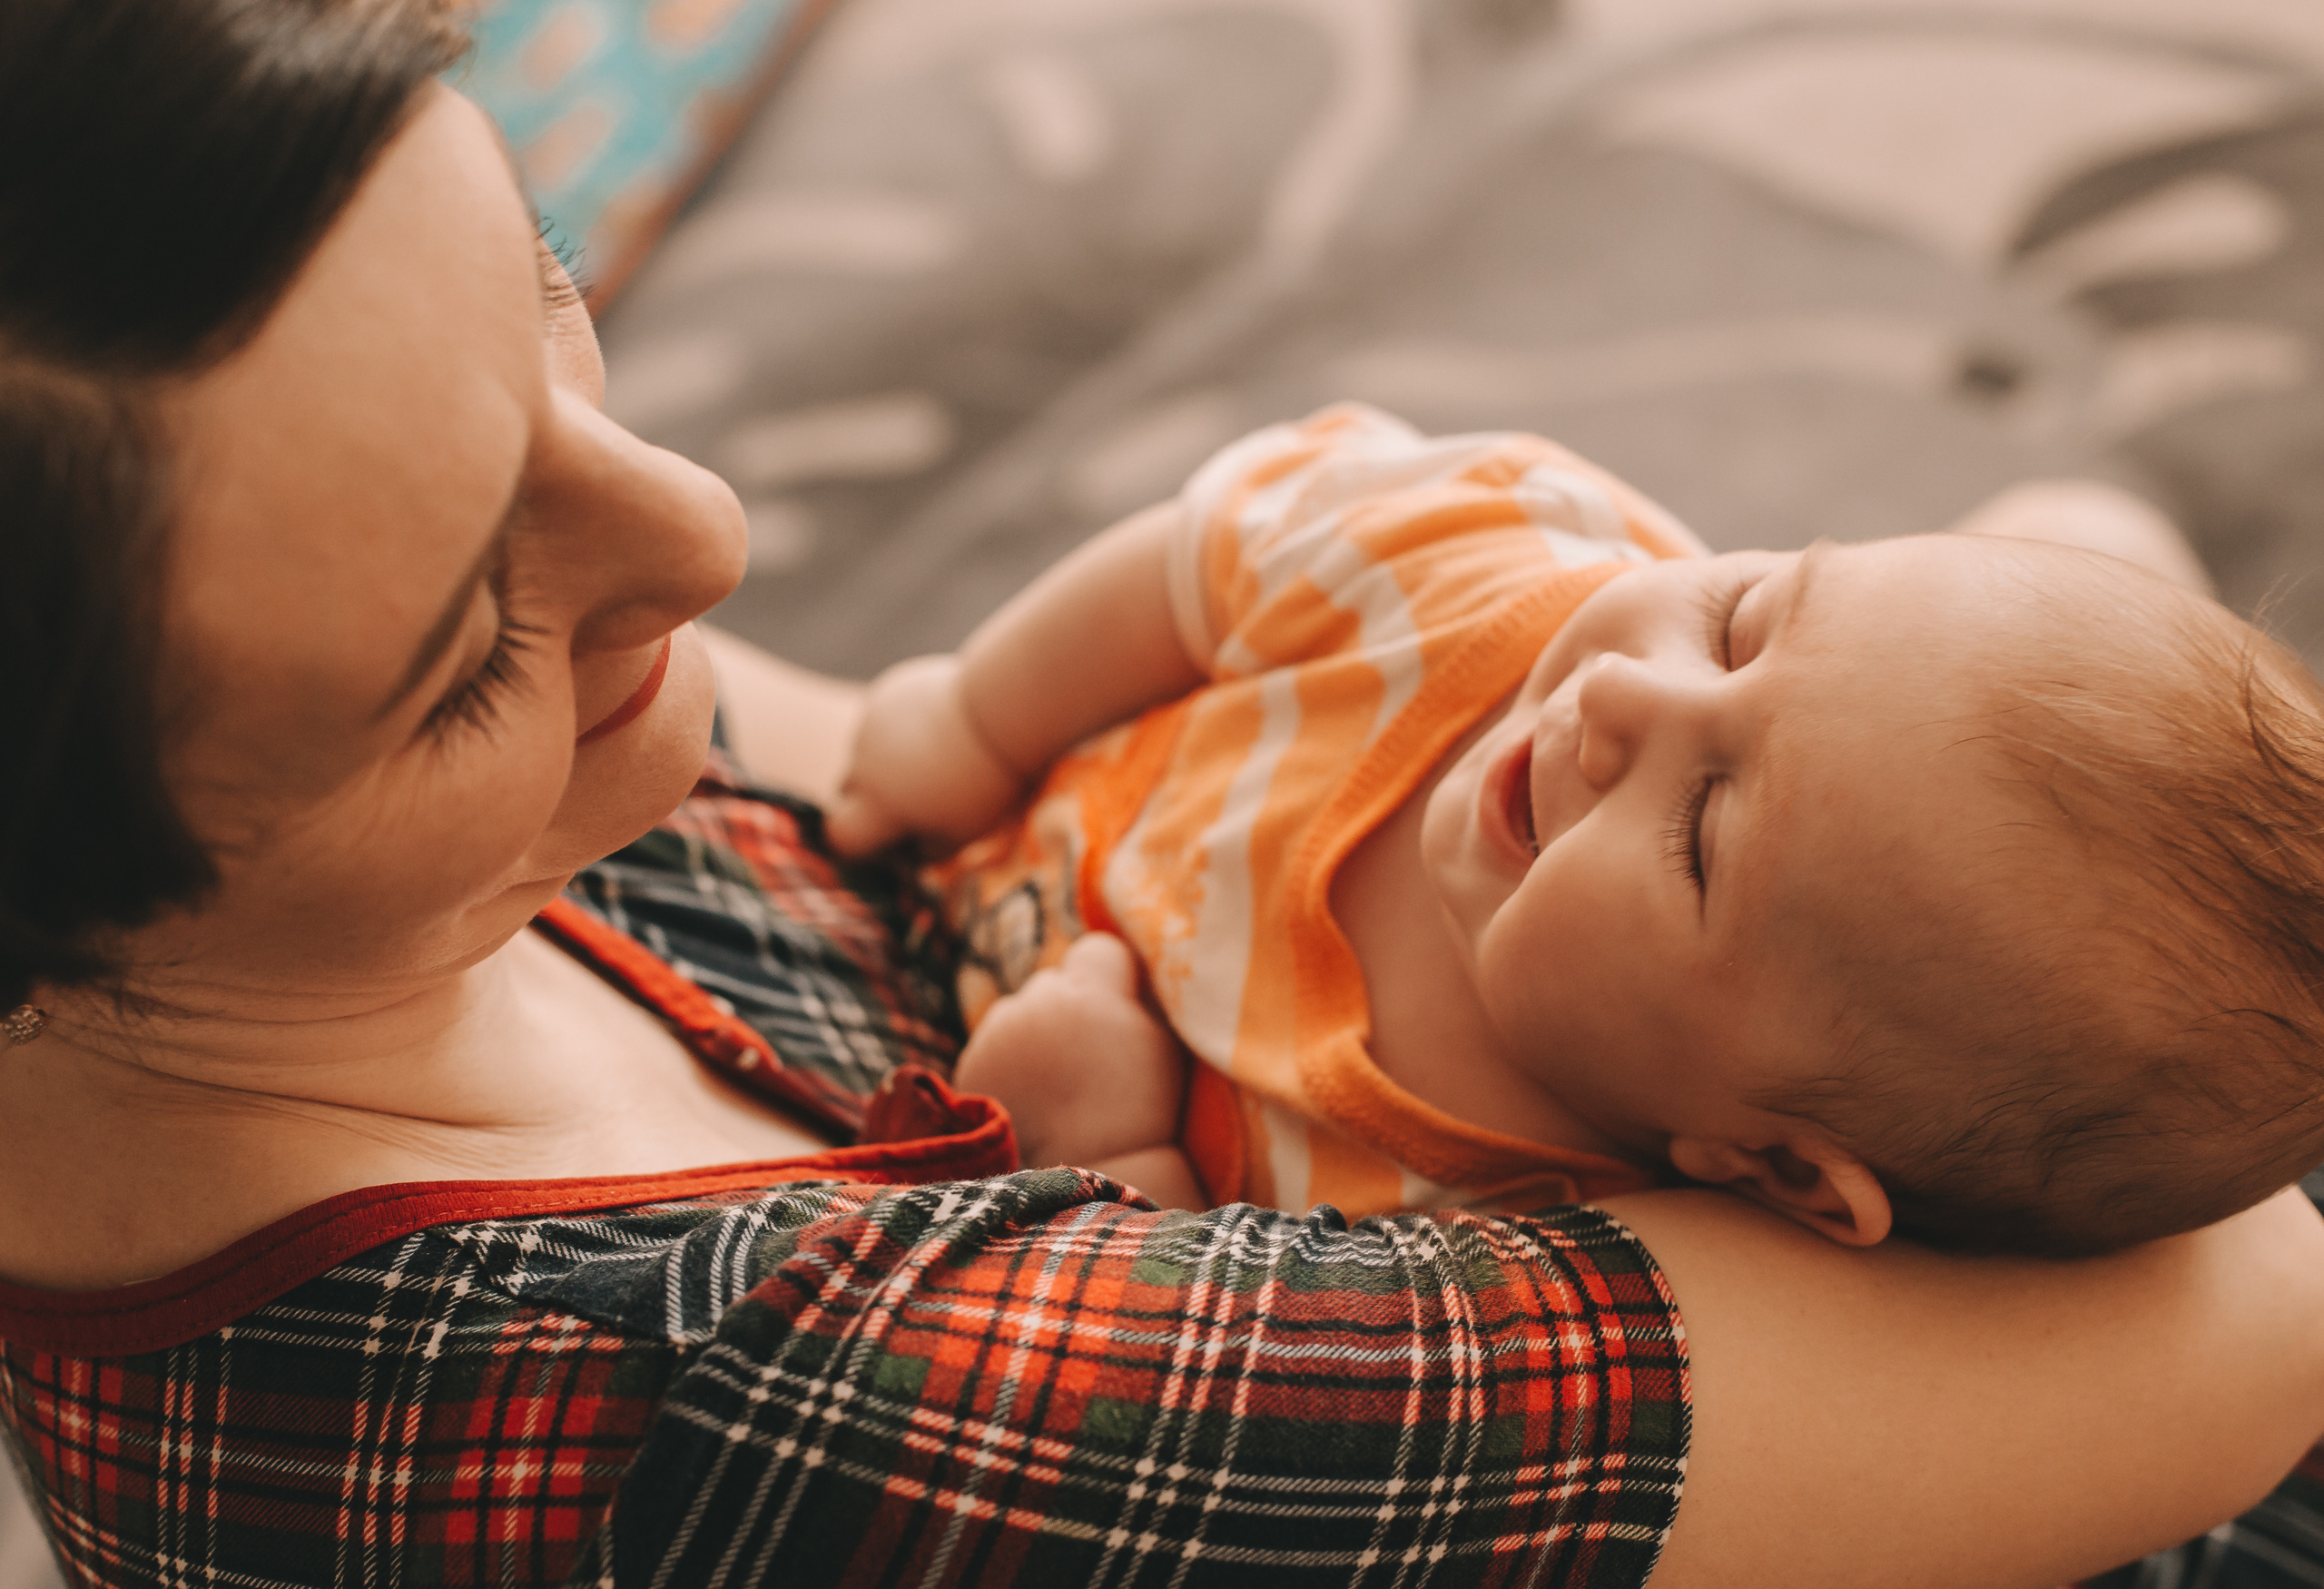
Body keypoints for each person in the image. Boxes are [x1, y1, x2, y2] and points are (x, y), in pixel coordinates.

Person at [3, 5, 2324, 1587]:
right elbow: (2249, 1314)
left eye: (541, 295)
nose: (700, 534)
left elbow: (905, 730)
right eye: (462, 647)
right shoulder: (730, 1406)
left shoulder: (298, 908)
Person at [829, 405, 2324, 1259]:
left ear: (1778, 1166)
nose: (1621, 694)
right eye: (1741, 624)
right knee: (2048, 608)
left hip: (955, 991)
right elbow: (1213, 560)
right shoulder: (1490, 574)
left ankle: (2069, 552)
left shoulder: (1513, 1238)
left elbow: (1188, 1337)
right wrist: (976, 720)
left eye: (1705, 830)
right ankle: (2079, 539)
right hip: (1050, 793)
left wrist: (1105, 1144)